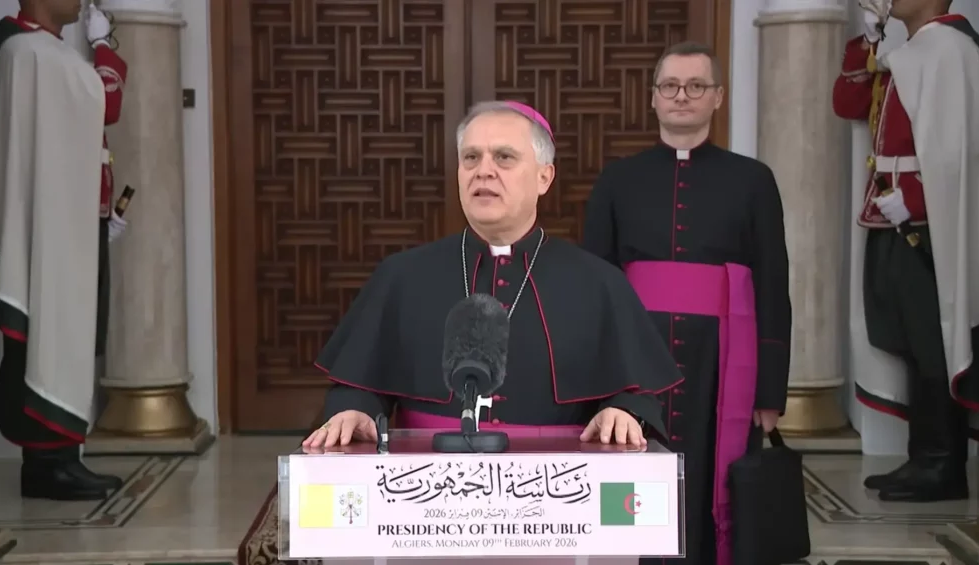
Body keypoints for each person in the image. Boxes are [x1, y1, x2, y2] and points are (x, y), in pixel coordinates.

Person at [302, 100, 682, 451]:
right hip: (427, 478)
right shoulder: (401, 276)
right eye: (471, 158)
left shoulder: (599, 283)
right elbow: (360, 382)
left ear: (544, 177)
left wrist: (623, 410)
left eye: (504, 157)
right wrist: (356, 409)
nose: (484, 170)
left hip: (556, 483)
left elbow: (634, 388)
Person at [581, 41, 792, 565]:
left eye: (696, 86)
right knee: (635, 474)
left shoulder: (754, 180)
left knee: (713, 480)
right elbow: (596, 284)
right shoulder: (617, 180)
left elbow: (772, 282)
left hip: (721, 360)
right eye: (670, 86)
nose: (682, 96)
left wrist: (770, 390)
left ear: (717, 97)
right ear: (653, 98)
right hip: (638, 355)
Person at [0, 0, 130, 501]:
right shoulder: (26, 52)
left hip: (68, 224)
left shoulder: (41, 53)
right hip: (45, 227)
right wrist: (104, 46)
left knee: (68, 334)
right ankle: (45, 462)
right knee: (46, 333)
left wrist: (103, 211)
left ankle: (58, 458)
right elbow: (107, 100)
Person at [832, 0, 979, 502]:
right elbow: (847, 104)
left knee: (934, 342)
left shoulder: (950, 49)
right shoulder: (911, 51)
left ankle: (943, 464)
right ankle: (924, 458)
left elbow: (961, 148)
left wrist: (916, 201)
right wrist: (869, 41)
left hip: (924, 222)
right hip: (890, 219)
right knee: (910, 341)